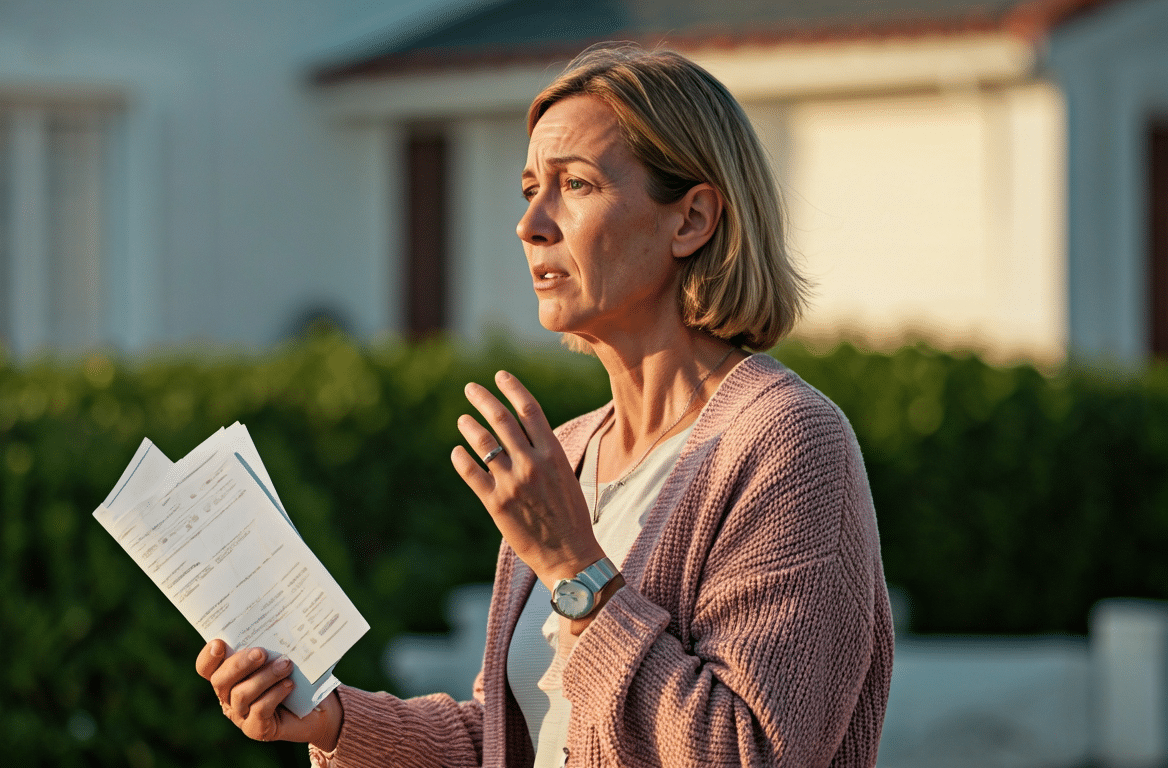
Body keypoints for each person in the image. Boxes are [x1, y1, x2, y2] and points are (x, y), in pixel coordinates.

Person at [196, 42, 893, 767]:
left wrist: (574, 565)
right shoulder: (570, 452)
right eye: (529, 187)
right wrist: (332, 720)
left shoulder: (787, 442)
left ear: (691, 220)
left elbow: (747, 753)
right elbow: (509, 740)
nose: (531, 223)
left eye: (578, 185)